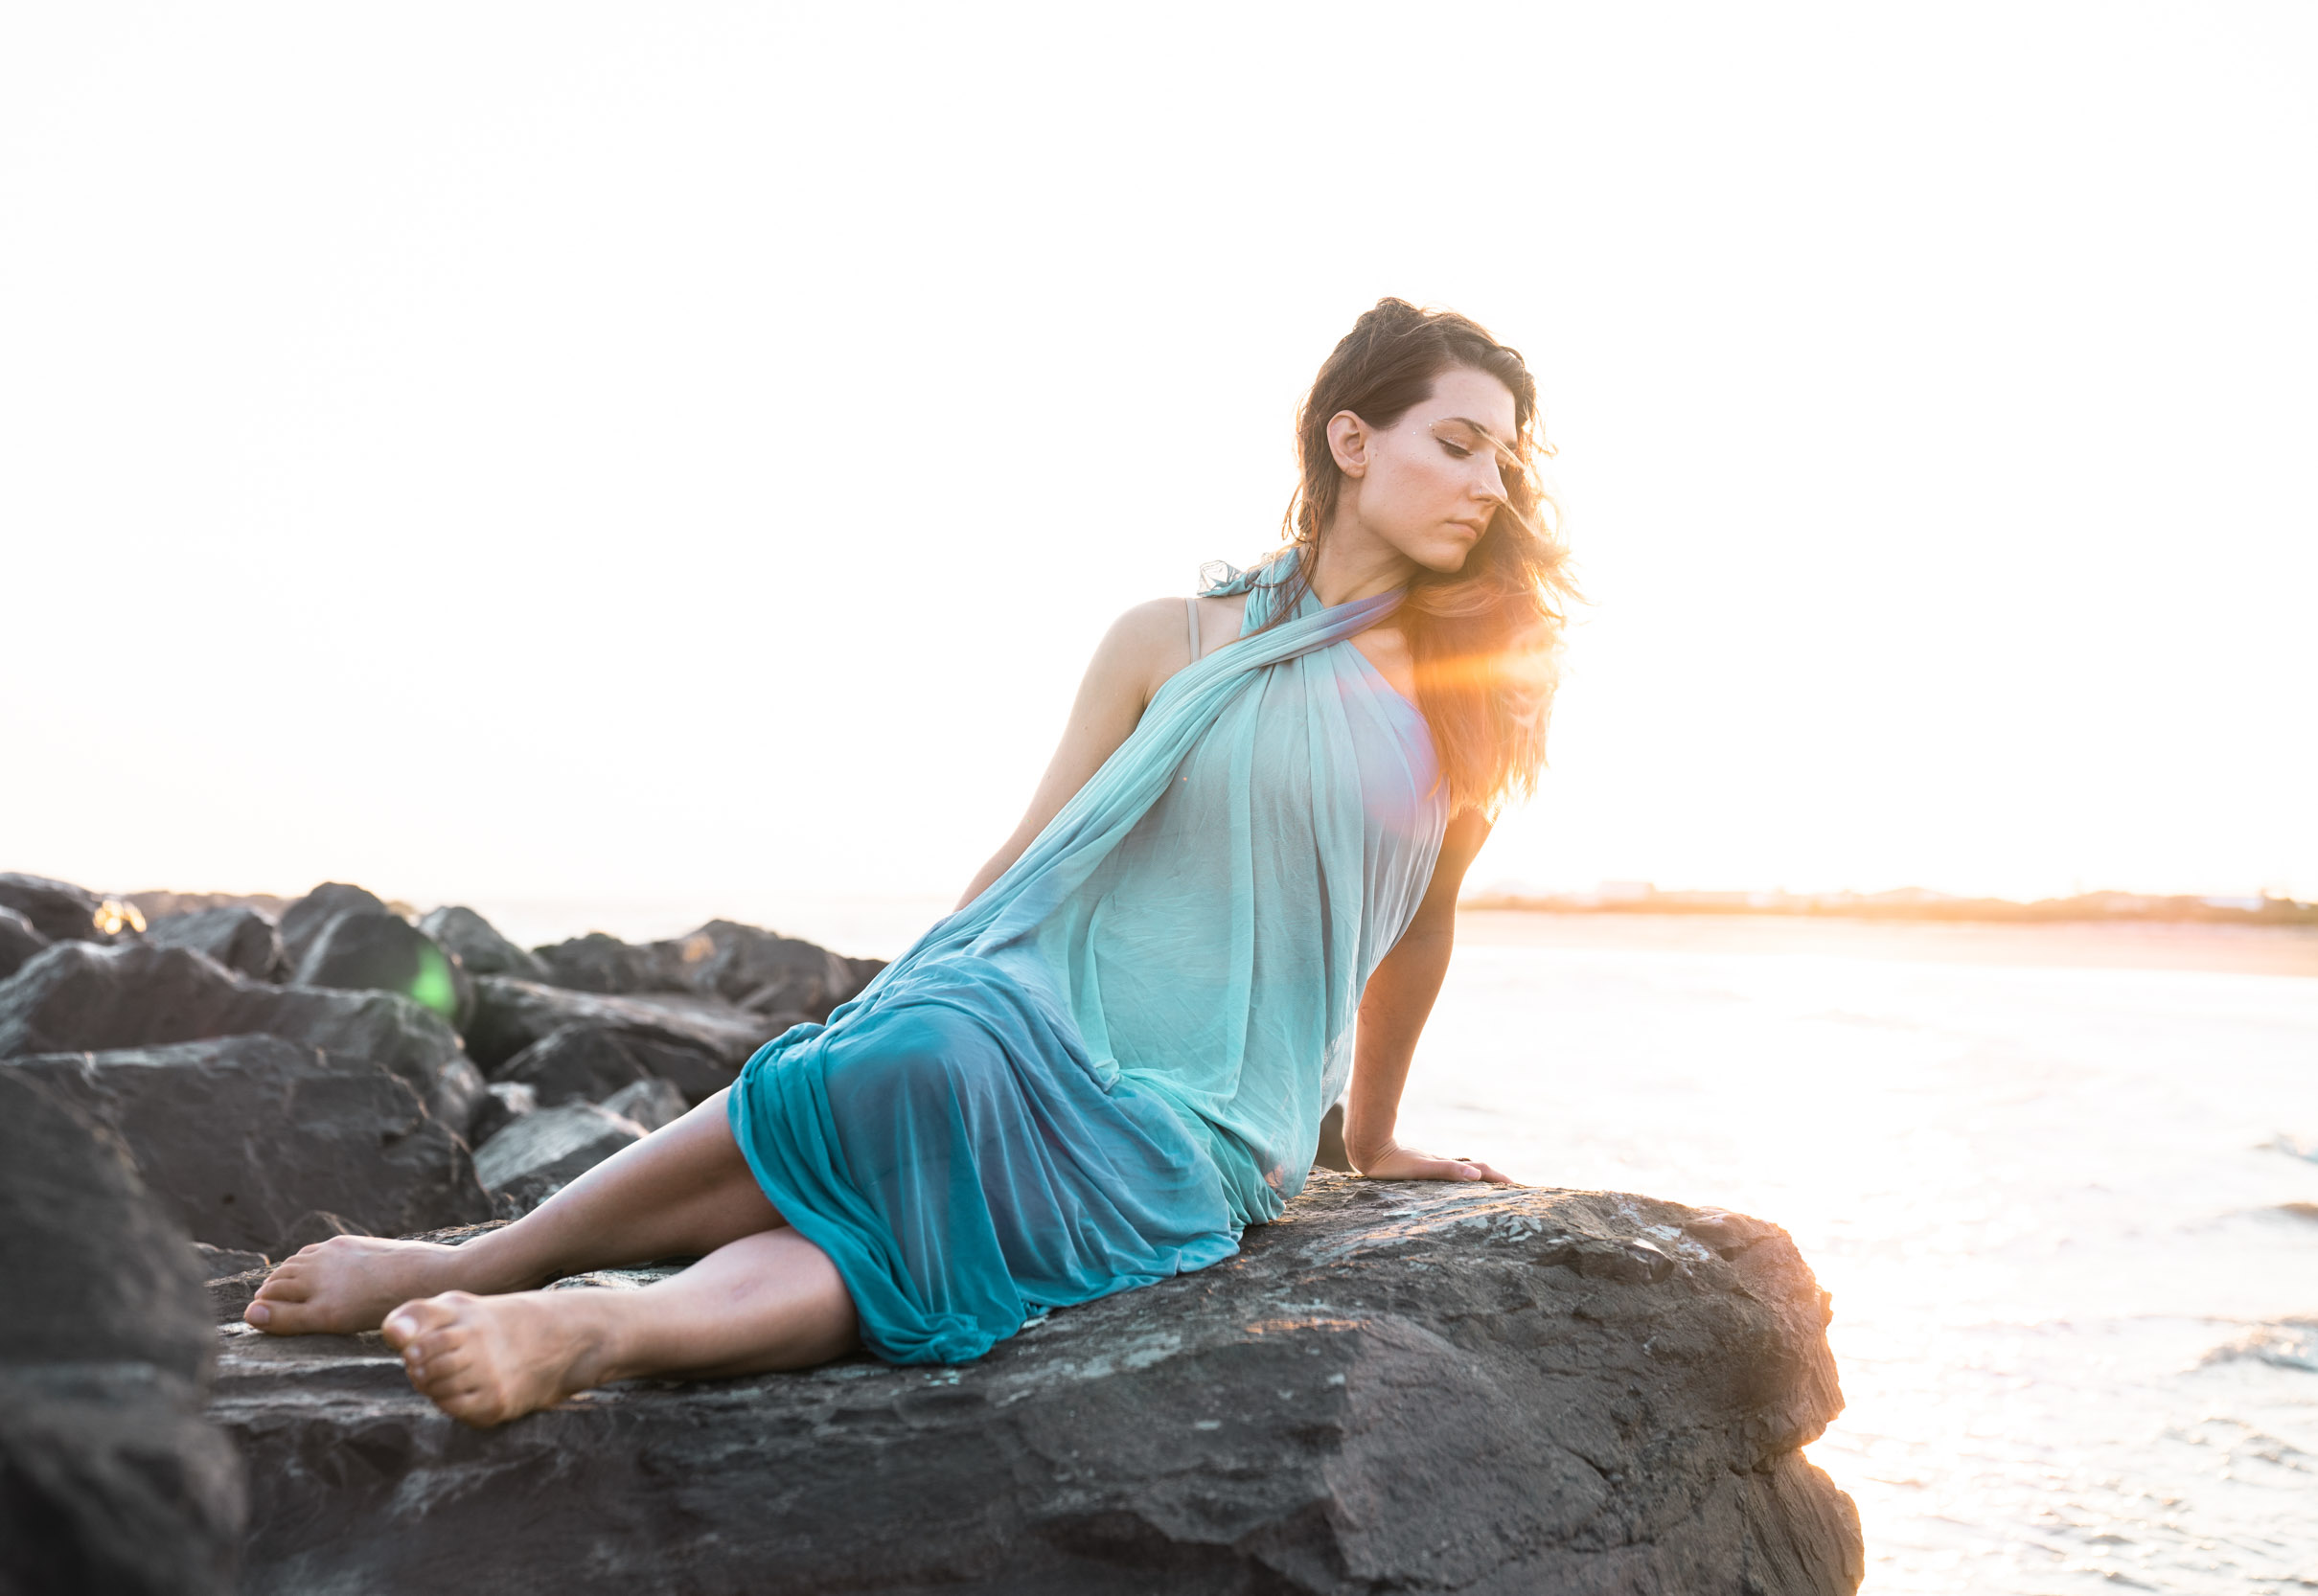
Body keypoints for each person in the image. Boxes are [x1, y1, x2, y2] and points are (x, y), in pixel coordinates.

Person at [243, 298, 1576, 1427]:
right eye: (1457, 444)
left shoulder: (1469, 693)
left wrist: (1379, 1131)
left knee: (922, 1241)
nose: (1486, 484)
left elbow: (1422, 926)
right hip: (1042, 1010)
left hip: (1205, 1114)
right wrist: (916, 991)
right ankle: (494, 1266)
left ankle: (599, 1334)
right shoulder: (1169, 636)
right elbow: (1028, 862)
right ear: (1354, 437)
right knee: (910, 1059)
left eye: (1502, 462)